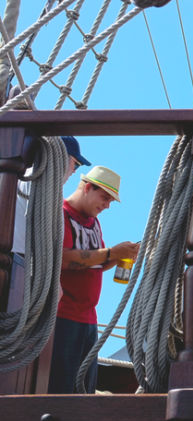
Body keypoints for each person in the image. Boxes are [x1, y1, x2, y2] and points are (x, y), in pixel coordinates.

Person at [48, 166, 139, 394]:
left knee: (84, 391)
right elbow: (64, 258)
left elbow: (94, 262)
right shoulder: (61, 214)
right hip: (62, 317)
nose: (107, 205)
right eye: (105, 197)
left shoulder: (93, 222)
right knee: (62, 389)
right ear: (88, 188)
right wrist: (110, 254)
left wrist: (118, 256)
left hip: (88, 321)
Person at [8, 136, 91, 313]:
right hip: (20, 268)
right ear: (60, 157)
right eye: (75, 164)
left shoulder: (27, 178)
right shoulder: (39, 181)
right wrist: (52, 281)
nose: (74, 171)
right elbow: (40, 235)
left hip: (20, 265)